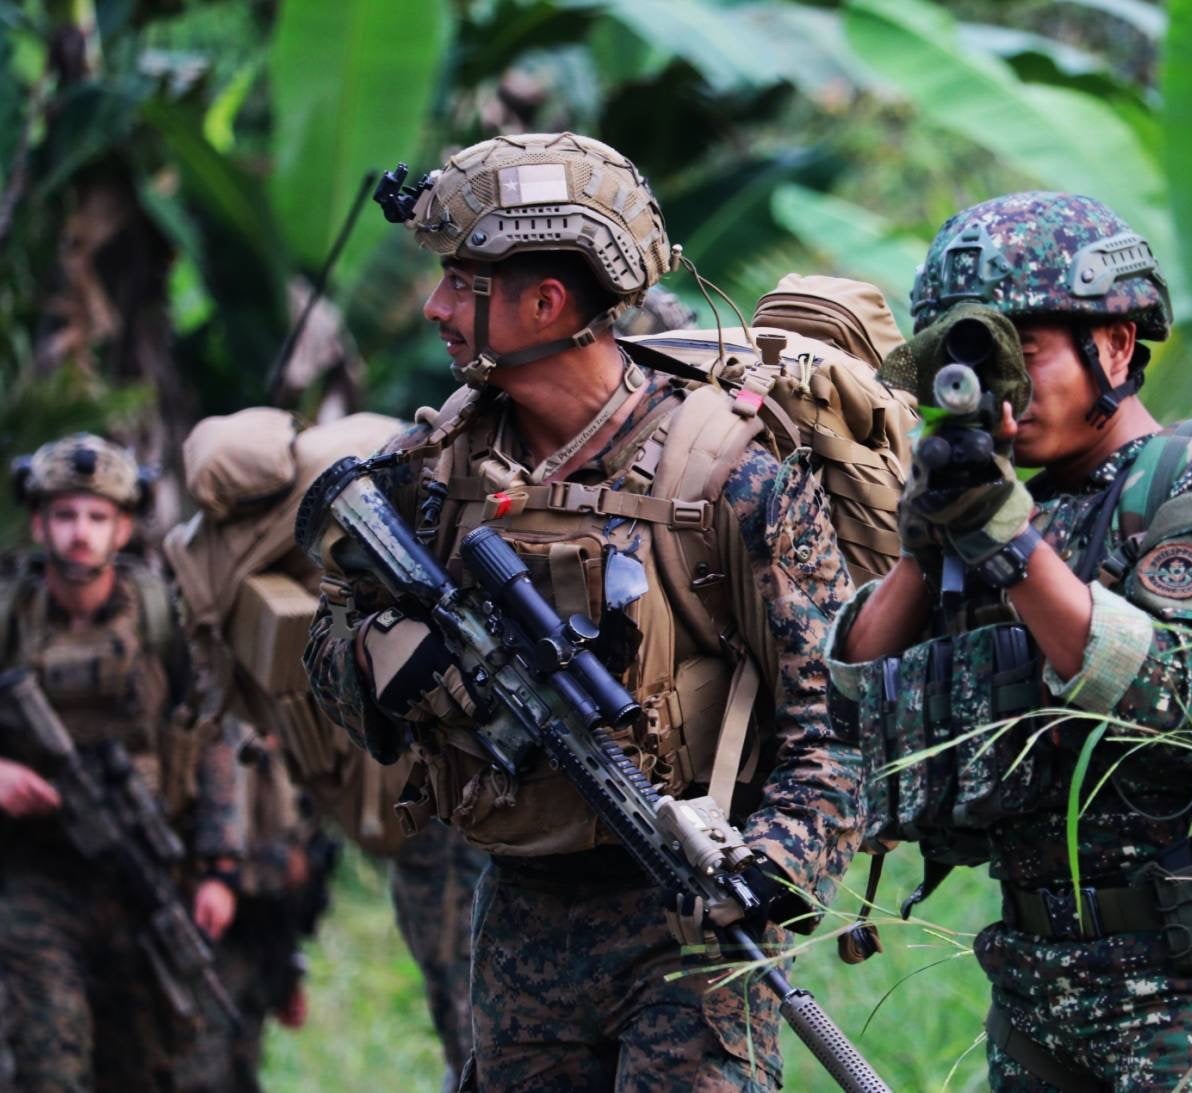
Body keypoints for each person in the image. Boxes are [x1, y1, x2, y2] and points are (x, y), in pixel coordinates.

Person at [303, 132, 863, 1091]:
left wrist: (772, 862)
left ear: (546, 302)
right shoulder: (429, 478)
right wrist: (381, 660)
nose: (435, 306)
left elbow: (841, 719)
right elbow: (326, 656)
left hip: (691, 921)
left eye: (460, 280)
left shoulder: (730, 474)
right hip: (523, 915)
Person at [825, 192, 1192, 1090]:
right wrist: (929, 538)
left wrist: (1003, 535)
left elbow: (1158, 686)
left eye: (1023, 355)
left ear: (1114, 344)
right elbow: (850, 698)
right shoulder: (1017, 513)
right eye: (975, 363)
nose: (1004, 391)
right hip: (1039, 984)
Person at [164, 407, 481, 1091]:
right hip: (431, 797)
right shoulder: (366, 467)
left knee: (470, 1001)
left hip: (446, 795)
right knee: (464, 997)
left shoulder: (353, 490)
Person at [0, 433, 243, 1092]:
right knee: (48, 1061)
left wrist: (219, 865)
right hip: (36, 875)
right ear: (39, 521)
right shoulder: (9, 614)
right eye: (66, 514)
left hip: (142, 874)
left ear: (124, 526)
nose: (81, 533)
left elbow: (212, 734)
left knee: (142, 1066)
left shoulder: (161, 615)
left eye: (97, 516)